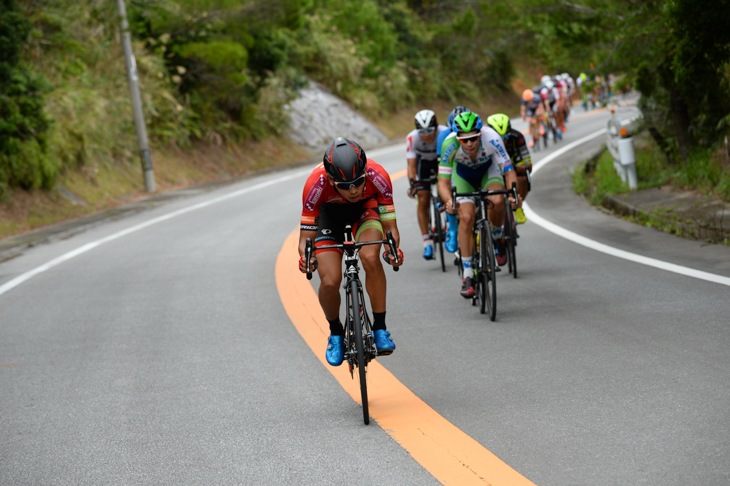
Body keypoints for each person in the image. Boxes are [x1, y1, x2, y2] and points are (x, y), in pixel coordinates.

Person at [298, 137, 404, 366]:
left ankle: (380, 328)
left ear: (366, 173)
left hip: (366, 211)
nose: (354, 190)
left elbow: (390, 229)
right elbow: (305, 239)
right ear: (331, 180)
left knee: (370, 257)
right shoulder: (315, 185)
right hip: (329, 218)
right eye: (345, 186)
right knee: (329, 281)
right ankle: (336, 333)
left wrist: (392, 249)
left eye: (358, 182)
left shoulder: (379, 176)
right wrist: (307, 259)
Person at [438, 112, 521, 298]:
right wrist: (449, 201)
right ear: (457, 137)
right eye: (464, 140)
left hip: (488, 171)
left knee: (498, 200)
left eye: (473, 139)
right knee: (466, 217)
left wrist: (514, 195)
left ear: (480, 134)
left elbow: (508, 171)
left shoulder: (492, 138)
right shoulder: (448, 144)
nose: (469, 144)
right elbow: (442, 182)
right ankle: (468, 275)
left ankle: (497, 237)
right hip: (463, 176)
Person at [406, 110, 448, 260]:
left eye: (430, 130)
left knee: (447, 194)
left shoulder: (444, 133)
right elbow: (411, 166)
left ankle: (449, 227)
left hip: (441, 163)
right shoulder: (412, 137)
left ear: (436, 127)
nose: (427, 135)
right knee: (422, 200)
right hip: (422, 164)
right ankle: (427, 242)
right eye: (422, 131)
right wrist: (413, 185)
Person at [486, 114, 532, 224]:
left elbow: (528, 166)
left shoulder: (518, 137)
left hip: (512, 166)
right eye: (499, 138)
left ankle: (518, 206)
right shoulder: (484, 139)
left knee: (524, 177)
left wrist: (513, 168)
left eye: (506, 137)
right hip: (491, 168)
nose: (503, 141)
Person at [437, 106, 470, 253]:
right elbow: (442, 167)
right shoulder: (444, 137)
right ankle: (452, 227)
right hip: (453, 165)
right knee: (447, 185)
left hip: (472, 165)